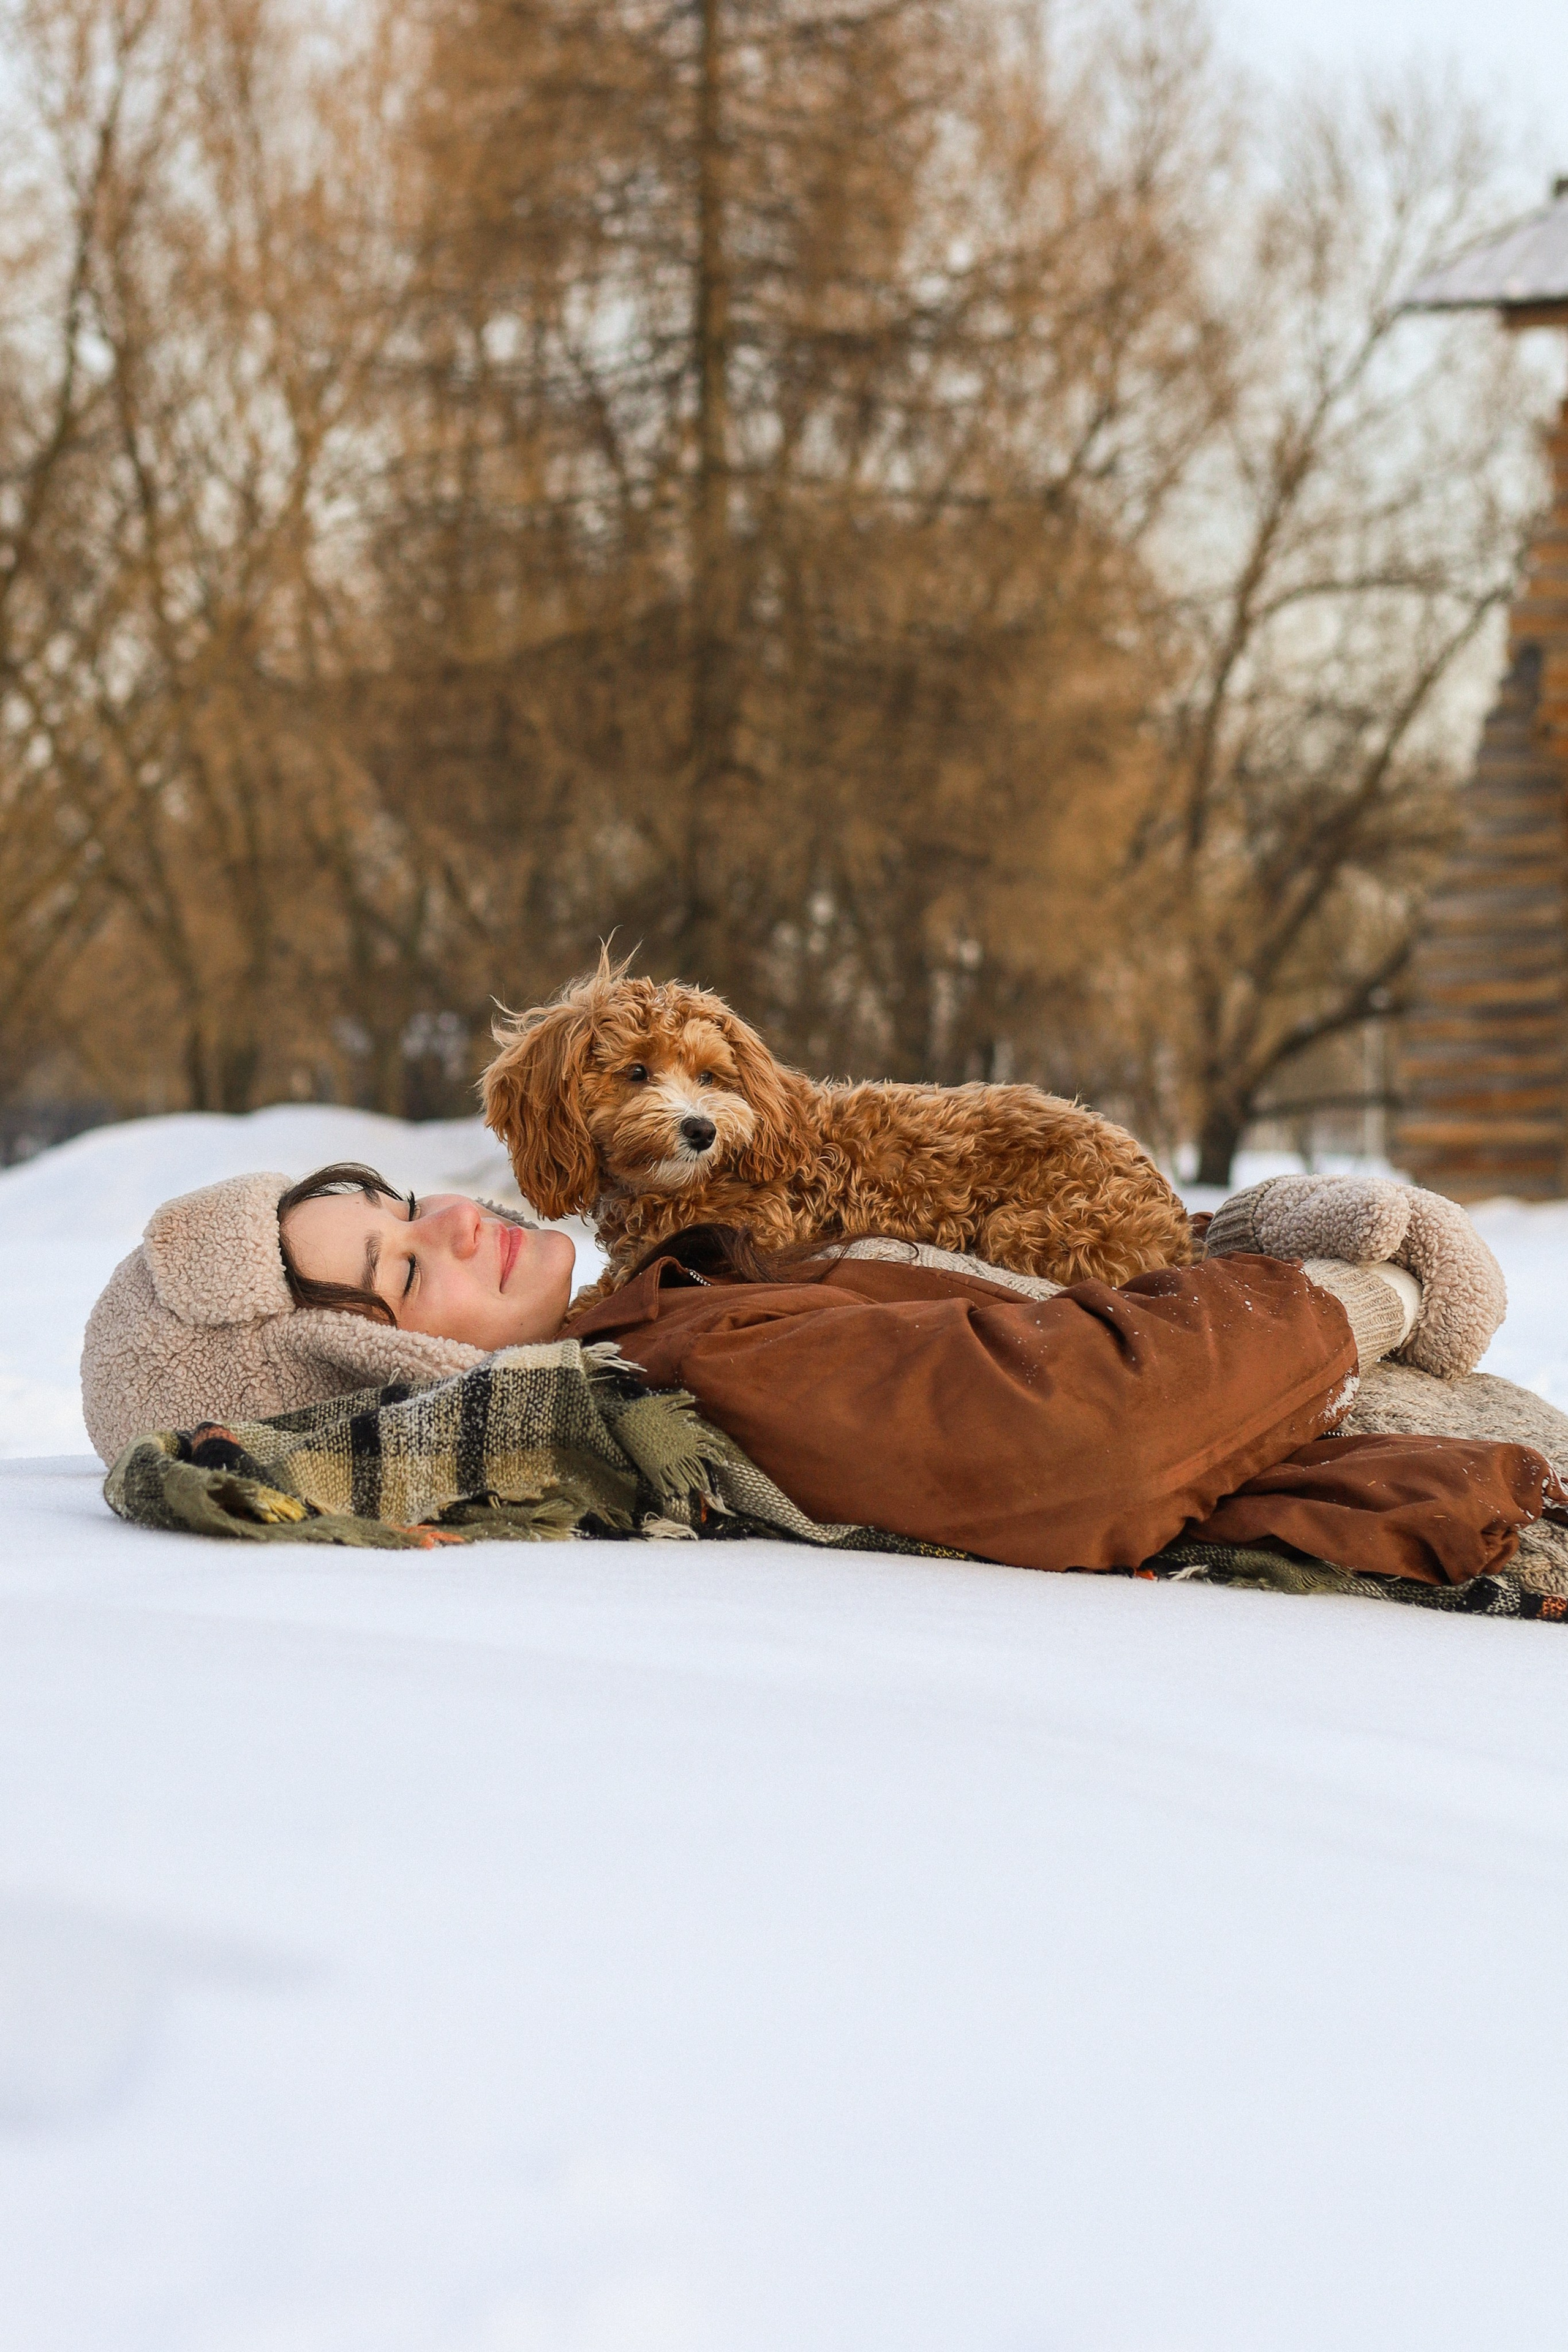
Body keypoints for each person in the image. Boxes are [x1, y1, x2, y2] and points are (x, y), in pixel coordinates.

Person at [80, 1158, 1561, 1588]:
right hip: (1482, 1516)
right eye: (406, 1272)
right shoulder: (681, 1368)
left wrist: (1248, 1233)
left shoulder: (682, 1290)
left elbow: (1037, 1313)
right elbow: (1079, 1431)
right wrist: (1350, 1297)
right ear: (385, 1369)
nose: (450, 1223)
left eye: (399, 1207)